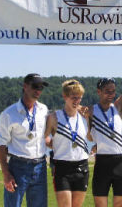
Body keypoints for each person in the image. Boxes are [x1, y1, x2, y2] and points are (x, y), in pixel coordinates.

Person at [88, 46, 122, 207]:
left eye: (113, 91)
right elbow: (89, 136)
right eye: (107, 91)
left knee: (120, 204)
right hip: (102, 162)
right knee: (100, 204)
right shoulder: (91, 110)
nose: (111, 94)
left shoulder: (118, 107)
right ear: (99, 91)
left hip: (121, 161)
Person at [0, 73, 49, 207]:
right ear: (25, 86)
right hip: (18, 167)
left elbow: (46, 137)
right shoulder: (9, 113)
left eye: (41, 88)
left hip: (40, 166)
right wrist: (6, 173)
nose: (38, 91)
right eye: (35, 86)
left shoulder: (44, 110)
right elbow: (1, 144)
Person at [44, 79, 90, 207]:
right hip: (62, 168)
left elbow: (91, 137)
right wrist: (53, 145)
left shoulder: (84, 117)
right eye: (74, 97)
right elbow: (43, 137)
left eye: (79, 98)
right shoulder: (54, 117)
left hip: (82, 167)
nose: (77, 101)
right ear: (65, 96)